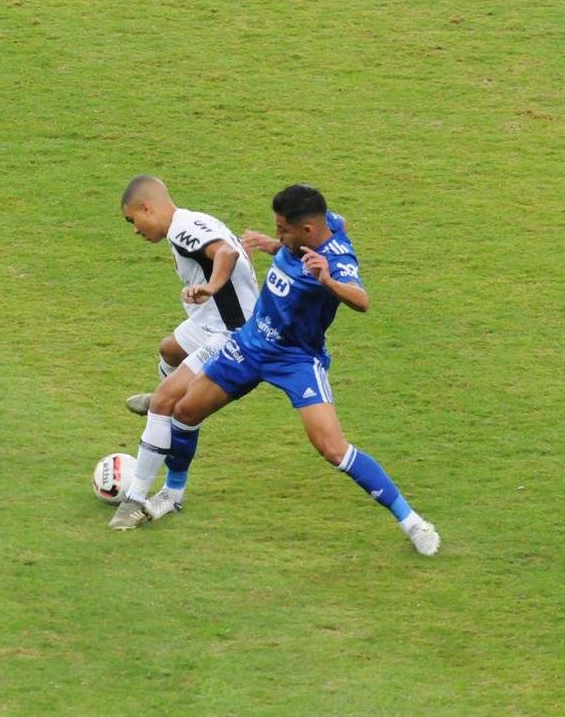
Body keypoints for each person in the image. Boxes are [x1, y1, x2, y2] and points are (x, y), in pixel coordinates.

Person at [122, 183, 441, 556]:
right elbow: (337, 223)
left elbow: (362, 300)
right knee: (185, 411)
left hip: (296, 360)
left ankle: (413, 523)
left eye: (282, 230)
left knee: (333, 449)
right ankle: (173, 494)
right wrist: (274, 246)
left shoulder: (336, 260)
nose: (277, 234)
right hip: (251, 342)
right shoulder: (325, 225)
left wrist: (328, 281)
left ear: (307, 230)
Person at [109, 175, 258, 528]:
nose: (134, 230)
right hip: (209, 322)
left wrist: (211, 286)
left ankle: (134, 500)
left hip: (230, 334)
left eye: (133, 220)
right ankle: (165, 406)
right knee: (169, 350)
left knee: (164, 403)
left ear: (147, 207)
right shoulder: (191, 221)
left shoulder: (182, 228)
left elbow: (226, 252)